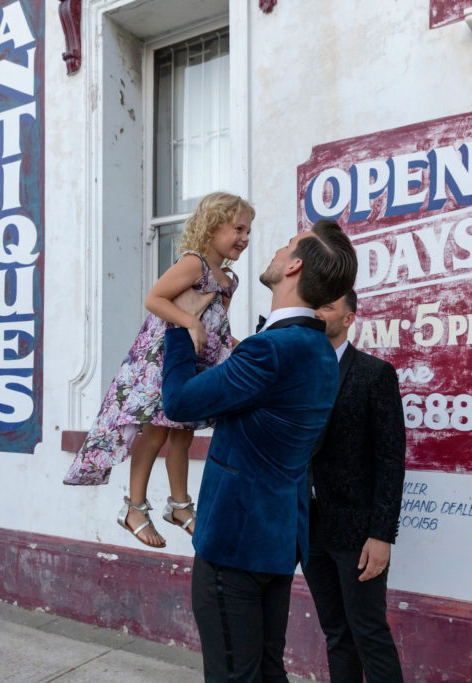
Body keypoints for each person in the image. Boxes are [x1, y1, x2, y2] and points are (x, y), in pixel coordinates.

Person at [161, 219, 358, 682]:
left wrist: (179, 320)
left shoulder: (273, 349)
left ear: (294, 267)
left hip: (235, 544)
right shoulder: (315, 349)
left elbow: (179, 402)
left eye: (287, 245)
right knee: (266, 672)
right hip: (274, 541)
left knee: (236, 675)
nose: (274, 249)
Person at [63, 192, 254, 549]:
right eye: (238, 228)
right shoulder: (193, 263)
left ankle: (180, 506)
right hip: (162, 361)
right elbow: (154, 299)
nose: (245, 237)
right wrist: (189, 323)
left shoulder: (228, 280)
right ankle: (134, 506)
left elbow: (217, 328)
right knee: (155, 434)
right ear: (212, 228)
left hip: (194, 364)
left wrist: (242, 348)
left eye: (248, 230)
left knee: (183, 434)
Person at [303, 289, 406, 682]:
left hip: (357, 533)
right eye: (315, 304)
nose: (317, 313)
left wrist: (382, 535)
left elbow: (391, 460)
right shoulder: (298, 373)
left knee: (369, 634)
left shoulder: (375, 374)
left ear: (348, 319)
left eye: (327, 307)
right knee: (336, 634)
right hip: (310, 528)